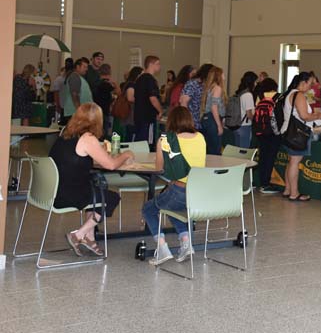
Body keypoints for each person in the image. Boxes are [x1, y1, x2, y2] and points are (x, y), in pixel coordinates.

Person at [50, 103, 133, 257]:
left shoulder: (65, 133)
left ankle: (90, 238)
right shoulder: (88, 138)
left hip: (53, 192)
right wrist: (126, 154)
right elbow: (111, 165)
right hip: (68, 195)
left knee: (95, 189)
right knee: (111, 198)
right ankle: (78, 235)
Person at [142, 106, 206, 265]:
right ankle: (186, 242)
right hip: (198, 192)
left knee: (148, 209)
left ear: (170, 121)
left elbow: (158, 168)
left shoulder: (166, 140)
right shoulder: (200, 137)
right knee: (170, 208)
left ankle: (162, 248)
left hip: (179, 191)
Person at [281, 72, 321, 201]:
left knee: (291, 162)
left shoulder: (290, 93)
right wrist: (319, 116)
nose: (311, 87)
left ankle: (288, 189)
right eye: (310, 84)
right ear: (304, 82)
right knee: (295, 162)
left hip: (288, 131)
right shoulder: (299, 95)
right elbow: (304, 116)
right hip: (297, 133)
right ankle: (294, 193)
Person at [253, 78, 282, 194]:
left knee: (263, 156)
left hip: (260, 131)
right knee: (270, 157)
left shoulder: (260, 96)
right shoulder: (278, 97)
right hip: (272, 132)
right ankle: (266, 184)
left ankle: (260, 182)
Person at [133, 56, 162, 149]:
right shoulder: (150, 80)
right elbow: (153, 98)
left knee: (139, 141)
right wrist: (160, 110)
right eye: (157, 64)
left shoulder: (139, 79)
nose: (159, 66)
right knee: (147, 143)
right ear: (151, 65)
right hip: (147, 117)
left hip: (139, 115)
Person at [200, 66, 227, 155]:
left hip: (206, 119)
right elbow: (214, 107)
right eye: (222, 73)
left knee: (208, 150)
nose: (224, 75)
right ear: (218, 75)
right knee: (215, 151)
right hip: (213, 120)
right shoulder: (218, 88)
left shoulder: (209, 88)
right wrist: (219, 125)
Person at [180, 63, 214, 132]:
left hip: (200, 121)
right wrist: (187, 121)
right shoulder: (193, 84)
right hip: (192, 122)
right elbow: (183, 102)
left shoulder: (204, 85)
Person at [62, 58, 93, 125]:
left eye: (87, 67)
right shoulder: (74, 77)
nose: (86, 69)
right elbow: (74, 94)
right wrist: (79, 110)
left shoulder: (79, 78)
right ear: (78, 67)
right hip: (75, 113)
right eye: (84, 67)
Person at [93, 64, 120, 138]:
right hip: (104, 111)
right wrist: (115, 83)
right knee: (104, 132)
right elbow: (118, 92)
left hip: (96, 109)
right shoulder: (106, 84)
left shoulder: (96, 82)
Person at [234, 71, 257, 148]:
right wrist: (255, 120)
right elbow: (249, 114)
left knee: (237, 151)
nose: (256, 84)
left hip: (236, 124)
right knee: (243, 151)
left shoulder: (239, 93)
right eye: (255, 81)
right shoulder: (248, 95)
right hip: (244, 126)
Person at [119, 67, 142, 142]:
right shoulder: (132, 85)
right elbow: (130, 98)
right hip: (131, 115)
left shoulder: (129, 84)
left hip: (130, 115)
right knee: (130, 136)